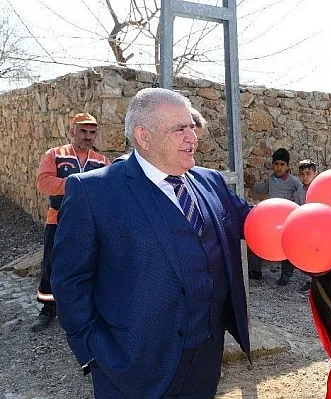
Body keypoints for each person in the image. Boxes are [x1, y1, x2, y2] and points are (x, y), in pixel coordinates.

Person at [50, 88, 252, 398]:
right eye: (179, 129)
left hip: (206, 356)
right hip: (131, 366)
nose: (193, 137)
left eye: (191, 127)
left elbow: (255, 223)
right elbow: (69, 281)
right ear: (144, 137)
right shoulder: (93, 192)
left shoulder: (211, 181)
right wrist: (93, 351)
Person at [32, 112, 111, 332]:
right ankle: (48, 308)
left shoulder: (102, 161)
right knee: (51, 263)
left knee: (90, 264)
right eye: (83, 131)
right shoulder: (55, 155)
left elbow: (107, 188)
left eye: (92, 132)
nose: (88, 136)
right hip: (58, 219)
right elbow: (44, 182)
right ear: (71, 131)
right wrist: (77, 184)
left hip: (89, 223)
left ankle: (87, 307)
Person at [249, 148, 304, 286]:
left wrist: (293, 203)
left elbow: (301, 192)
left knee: (287, 246)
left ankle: (286, 274)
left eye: (282, 164)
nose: (279, 167)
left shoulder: (293, 181)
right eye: (276, 164)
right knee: (258, 239)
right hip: (271, 220)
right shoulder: (272, 179)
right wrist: (251, 183)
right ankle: (255, 271)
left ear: (287, 166)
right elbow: (261, 189)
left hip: (286, 221)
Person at [295, 159, 318, 294]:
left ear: (315, 173)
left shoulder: (320, 188)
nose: (305, 177)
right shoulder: (299, 190)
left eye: (308, 173)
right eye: (302, 174)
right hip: (306, 227)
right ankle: (312, 281)